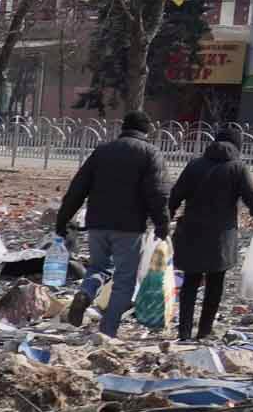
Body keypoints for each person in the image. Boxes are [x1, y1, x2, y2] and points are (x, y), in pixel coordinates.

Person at [52, 110, 171, 337]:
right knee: (124, 279)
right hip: (129, 227)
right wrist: (162, 224)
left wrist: (63, 219)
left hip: (97, 223)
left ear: (123, 127)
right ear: (147, 130)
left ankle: (86, 293)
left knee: (98, 267)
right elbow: (157, 193)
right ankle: (108, 330)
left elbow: (78, 188)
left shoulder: (102, 151)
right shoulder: (150, 153)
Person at [168, 136, 253, 341]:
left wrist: (165, 219)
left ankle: (184, 331)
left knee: (190, 283)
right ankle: (204, 330)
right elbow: (251, 196)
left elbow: (176, 194)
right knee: (215, 283)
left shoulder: (194, 165)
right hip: (221, 235)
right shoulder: (237, 168)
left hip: (192, 231)